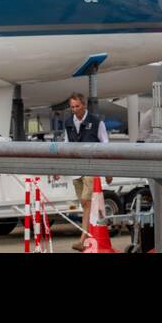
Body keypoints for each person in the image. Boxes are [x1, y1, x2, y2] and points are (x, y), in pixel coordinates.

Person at [64, 93, 109, 251]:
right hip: (76, 169)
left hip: (92, 166)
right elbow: (66, 144)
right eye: (72, 107)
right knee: (85, 204)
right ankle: (89, 236)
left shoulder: (97, 122)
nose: (74, 110)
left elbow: (106, 145)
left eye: (77, 106)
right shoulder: (69, 123)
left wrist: (108, 171)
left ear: (84, 105)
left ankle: (83, 238)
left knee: (86, 201)